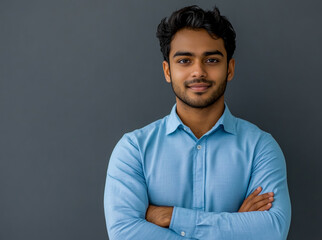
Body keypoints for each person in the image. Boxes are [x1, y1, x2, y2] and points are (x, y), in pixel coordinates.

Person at [104, 5, 291, 240]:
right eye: (184, 61)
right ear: (167, 71)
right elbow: (124, 234)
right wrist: (236, 225)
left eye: (211, 59)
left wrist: (172, 217)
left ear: (229, 69)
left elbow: (272, 231)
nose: (198, 72)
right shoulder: (134, 150)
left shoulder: (260, 148)